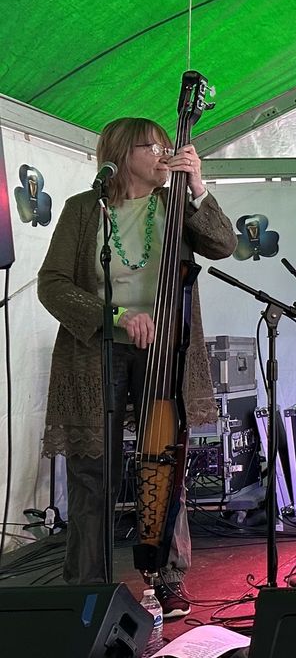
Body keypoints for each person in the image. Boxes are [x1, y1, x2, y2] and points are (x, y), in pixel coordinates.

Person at [38, 117, 236, 616]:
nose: (166, 156)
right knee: (91, 473)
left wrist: (198, 188)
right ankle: (86, 587)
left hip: (166, 351)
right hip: (95, 351)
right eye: (155, 147)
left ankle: (168, 578)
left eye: (169, 148)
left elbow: (223, 245)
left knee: (164, 464)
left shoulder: (175, 204)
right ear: (124, 153)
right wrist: (117, 316)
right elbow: (52, 284)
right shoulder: (85, 209)